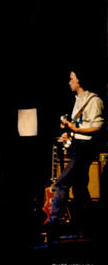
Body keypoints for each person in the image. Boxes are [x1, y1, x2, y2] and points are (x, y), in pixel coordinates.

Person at [48, 69, 104, 239]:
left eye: (72, 79)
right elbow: (79, 126)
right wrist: (69, 134)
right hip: (77, 146)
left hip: (85, 148)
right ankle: (89, 227)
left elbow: (97, 126)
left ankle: (54, 224)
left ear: (79, 80)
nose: (69, 82)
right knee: (80, 187)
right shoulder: (78, 99)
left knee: (62, 182)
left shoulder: (94, 100)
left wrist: (76, 130)